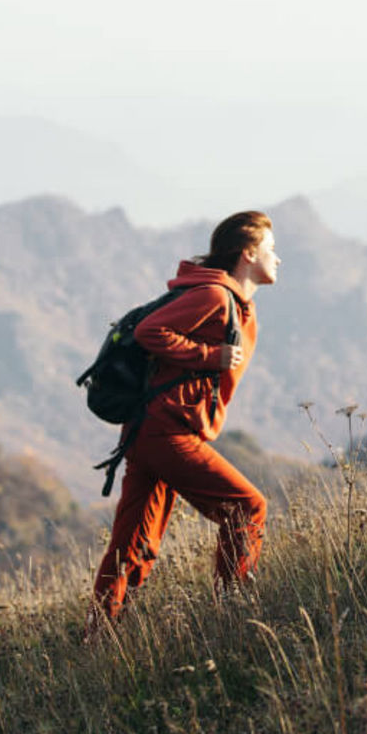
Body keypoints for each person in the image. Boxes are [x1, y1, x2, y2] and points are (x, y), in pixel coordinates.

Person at [85, 211, 280, 641]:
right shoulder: (214, 295)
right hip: (165, 432)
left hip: (148, 430)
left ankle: (97, 638)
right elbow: (152, 331)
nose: (277, 259)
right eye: (270, 249)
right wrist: (209, 357)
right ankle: (233, 615)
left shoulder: (232, 302)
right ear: (247, 254)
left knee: (133, 544)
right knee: (247, 509)